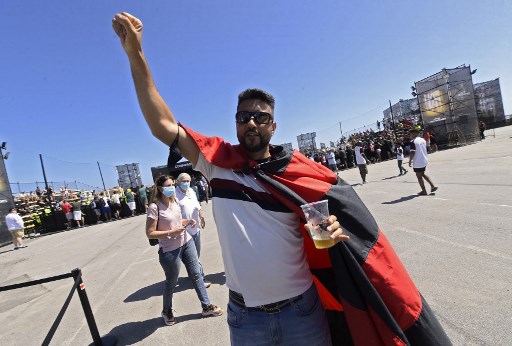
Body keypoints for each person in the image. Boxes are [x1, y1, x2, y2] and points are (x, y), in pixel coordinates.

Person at [113, 12, 450, 344]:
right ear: (235, 123)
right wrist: (136, 55)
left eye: (261, 117)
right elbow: (164, 126)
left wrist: (335, 229)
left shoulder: (297, 172)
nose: (252, 122)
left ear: (273, 127)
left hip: (301, 313)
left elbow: (332, 222)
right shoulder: (216, 163)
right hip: (245, 319)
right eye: (244, 116)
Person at [146, 175, 223, 325]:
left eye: (173, 184)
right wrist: (170, 233)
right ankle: (166, 310)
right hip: (169, 250)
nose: (172, 187)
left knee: (196, 274)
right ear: (160, 188)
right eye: (168, 185)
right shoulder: (154, 207)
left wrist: (187, 221)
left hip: (186, 242)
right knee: (171, 281)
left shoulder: (174, 200)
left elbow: (176, 221)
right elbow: (150, 232)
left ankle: (206, 306)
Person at [175, 172, 211, 288]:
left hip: (195, 228)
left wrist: (201, 217)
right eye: (183, 181)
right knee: (194, 256)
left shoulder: (191, 191)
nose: (186, 183)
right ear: (178, 181)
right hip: (185, 230)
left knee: (196, 254)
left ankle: (193, 273)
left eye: (188, 181)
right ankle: (200, 279)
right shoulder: (174, 195)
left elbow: (197, 205)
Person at [408, 128, 438, 195]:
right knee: (422, 173)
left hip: (418, 161)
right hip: (424, 159)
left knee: (419, 176)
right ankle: (432, 186)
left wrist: (410, 160)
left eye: (410, 134)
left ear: (413, 134)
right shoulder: (422, 140)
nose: (409, 136)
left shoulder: (413, 141)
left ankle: (424, 191)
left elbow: (412, 152)